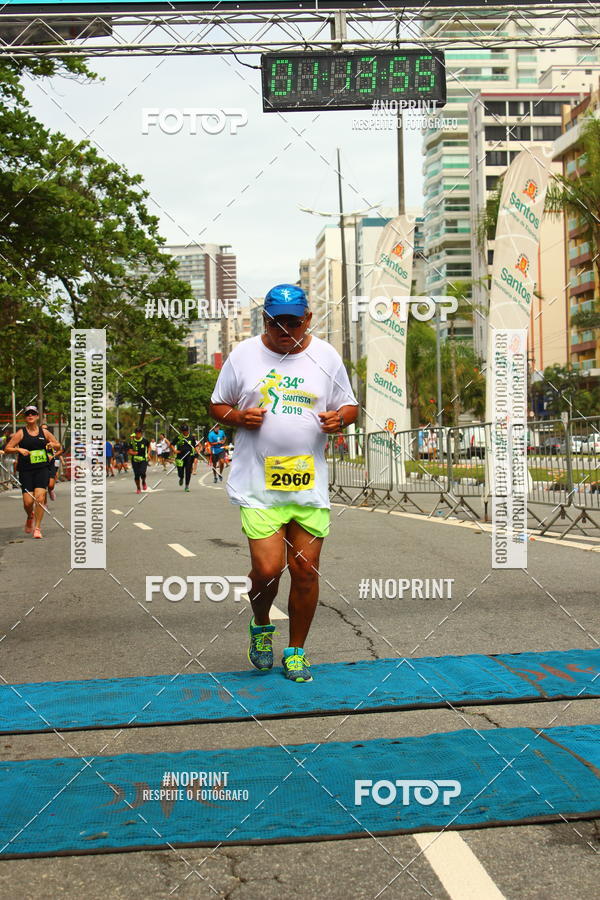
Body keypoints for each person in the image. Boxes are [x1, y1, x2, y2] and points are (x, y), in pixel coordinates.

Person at [209, 283, 358, 683]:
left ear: (308, 319)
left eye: (293, 322)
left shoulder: (325, 355)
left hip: (307, 485)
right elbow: (217, 403)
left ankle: (296, 652)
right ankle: (260, 624)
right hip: (259, 485)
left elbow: (349, 404)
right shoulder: (243, 355)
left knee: (305, 569)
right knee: (269, 570)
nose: (284, 329)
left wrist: (339, 418)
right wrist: (237, 418)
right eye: (276, 322)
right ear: (265, 320)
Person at [4, 406, 61, 538]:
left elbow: (58, 444)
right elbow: (8, 448)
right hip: (26, 471)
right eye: (28, 414)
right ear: (25, 417)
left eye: (33, 413)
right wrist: (19, 450)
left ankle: (37, 528)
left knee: (40, 498)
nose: (30, 415)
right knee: (28, 502)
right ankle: (30, 516)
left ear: (37, 416)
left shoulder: (44, 433)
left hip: (42, 469)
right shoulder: (21, 433)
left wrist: (53, 445)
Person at [172, 424, 200, 492]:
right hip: (180, 457)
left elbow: (195, 445)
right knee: (180, 472)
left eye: (186, 431)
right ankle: (181, 477)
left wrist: (197, 451)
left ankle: (187, 486)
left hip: (189, 457)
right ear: (181, 431)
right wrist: (175, 450)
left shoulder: (191, 437)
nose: (185, 432)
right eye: (183, 431)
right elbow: (172, 444)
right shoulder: (179, 437)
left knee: (188, 471)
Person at [127, 426, 150, 493]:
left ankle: (143, 482)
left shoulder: (144, 440)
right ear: (135, 433)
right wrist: (133, 453)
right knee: (136, 475)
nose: (138, 434)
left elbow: (149, 447)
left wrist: (148, 454)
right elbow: (129, 451)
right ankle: (138, 488)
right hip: (135, 460)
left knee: (143, 473)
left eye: (139, 433)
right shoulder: (132, 441)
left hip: (143, 459)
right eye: (137, 433)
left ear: (141, 433)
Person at [46, 433, 64, 501]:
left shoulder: (53, 441)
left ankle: (51, 489)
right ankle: (44, 503)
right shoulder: (39, 442)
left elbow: (61, 450)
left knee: (51, 483)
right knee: (42, 485)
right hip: (43, 464)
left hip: (53, 461)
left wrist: (53, 456)